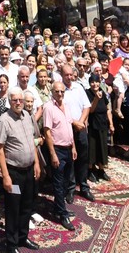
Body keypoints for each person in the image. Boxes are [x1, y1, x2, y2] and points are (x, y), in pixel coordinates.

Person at [0, 87, 42, 253]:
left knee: (27, 205)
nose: (18, 103)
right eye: (14, 100)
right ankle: (12, 243)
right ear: (9, 101)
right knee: (13, 207)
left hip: (29, 170)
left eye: (20, 100)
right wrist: (6, 176)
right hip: (14, 173)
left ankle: (23, 237)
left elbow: (32, 141)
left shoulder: (28, 117)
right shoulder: (4, 120)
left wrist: (36, 163)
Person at [41, 80, 78, 230]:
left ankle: (58, 207)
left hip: (68, 148)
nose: (60, 94)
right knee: (58, 183)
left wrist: (74, 147)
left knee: (65, 182)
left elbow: (69, 126)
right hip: (57, 150)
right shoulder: (48, 108)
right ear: (52, 92)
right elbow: (47, 132)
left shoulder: (66, 106)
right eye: (57, 91)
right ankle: (62, 215)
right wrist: (53, 154)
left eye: (62, 91)